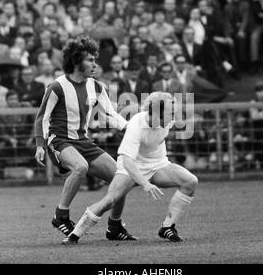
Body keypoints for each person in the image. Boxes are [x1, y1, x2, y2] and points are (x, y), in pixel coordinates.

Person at [34, 36, 135, 241]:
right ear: (76, 60)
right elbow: (41, 118)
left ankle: (114, 227)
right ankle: (61, 215)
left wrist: (129, 127)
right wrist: (40, 145)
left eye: (94, 59)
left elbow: (109, 114)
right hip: (59, 139)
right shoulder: (57, 86)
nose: (95, 64)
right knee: (81, 167)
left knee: (122, 178)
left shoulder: (96, 86)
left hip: (84, 141)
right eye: (90, 59)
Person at [63, 92, 198, 244]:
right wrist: (145, 184)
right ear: (156, 112)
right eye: (170, 113)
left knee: (190, 181)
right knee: (110, 201)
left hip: (159, 164)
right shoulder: (137, 125)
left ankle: (167, 227)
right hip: (131, 166)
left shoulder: (168, 121)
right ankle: (74, 236)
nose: (174, 117)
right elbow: (127, 161)